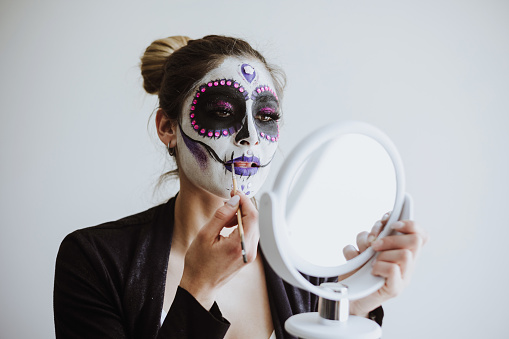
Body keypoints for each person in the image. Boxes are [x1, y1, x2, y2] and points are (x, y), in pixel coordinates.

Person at [53, 35, 427, 339]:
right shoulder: (95, 261)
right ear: (167, 128)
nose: (250, 138)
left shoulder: (312, 267)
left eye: (266, 117)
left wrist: (353, 308)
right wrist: (197, 289)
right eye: (220, 112)